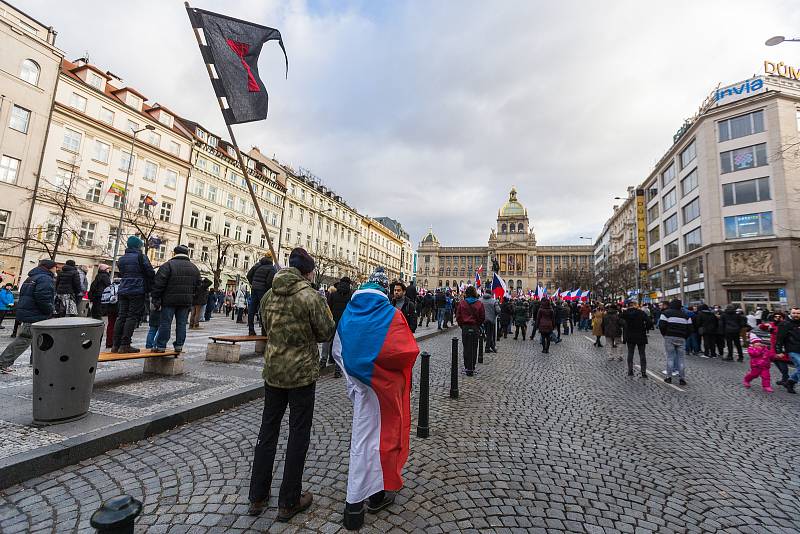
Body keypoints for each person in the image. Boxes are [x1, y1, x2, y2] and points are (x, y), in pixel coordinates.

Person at [247, 248, 335, 521]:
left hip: (273, 371)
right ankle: (289, 500)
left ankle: (257, 497)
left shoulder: (269, 296)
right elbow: (326, 332)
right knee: (298, 434)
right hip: (300, 375)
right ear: (307, 272)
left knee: (267, 431)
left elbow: (265, 325)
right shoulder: (310, 297)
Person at [332, 267, 419, 530]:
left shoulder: (349, 313)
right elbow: (406, 351)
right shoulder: (392, 315)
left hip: (362, 390)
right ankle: (366, 498)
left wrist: (355, 383)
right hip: (382, 393)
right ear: (383, 291)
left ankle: (361, 499)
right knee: (380, 441)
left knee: (362, 440)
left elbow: (338, 350)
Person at [0, 259, 56, 373]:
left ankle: (37, 363)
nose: (56, 270)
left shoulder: (31, 277)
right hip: (35, 314)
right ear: (49, 267)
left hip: (29, 312)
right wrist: (50, 310)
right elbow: (43, 297)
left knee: (39, 340)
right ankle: (3, 362)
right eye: (55, 267)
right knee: (25, 339)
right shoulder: (45, 278)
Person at [150, 245, 200, 354]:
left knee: (165, 323)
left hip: (168, 301)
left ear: (174, 253)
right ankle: (179, 346)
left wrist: (156, 299)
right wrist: (191, 297)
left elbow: (158, 284)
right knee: (181, 324)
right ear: (187, 254)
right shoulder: (194, 268)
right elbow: (198, 286)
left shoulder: (167, 265)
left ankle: (161, 346)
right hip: (185, 302)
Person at [112, 237, 155, 353]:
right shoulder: (141, 257)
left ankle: (115, 345)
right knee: (132, 316)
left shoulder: (121, 259)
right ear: (137, 246)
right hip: (137, 289)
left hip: (123, 289)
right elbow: (150, 272)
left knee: (121, 316)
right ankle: (125, 344)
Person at [658, 298, 691, 385]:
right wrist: (685, 336)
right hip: (681, 338)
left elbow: (661, 325)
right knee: (681, 359)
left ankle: (669, 377)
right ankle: (682, 379)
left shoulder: (665, 314)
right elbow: (690, 328)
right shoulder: (686, 316)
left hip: (669, 337)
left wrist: (664, 334)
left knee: (670, 357)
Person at [324, 277, 353, 378]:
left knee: (328, 341)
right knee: (341, 345)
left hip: (333, 321)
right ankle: (337, 370)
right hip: (345, 323)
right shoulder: (351, 295)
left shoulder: (333, 294)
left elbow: (328, 307)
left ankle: (323, 362)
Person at [455, 286, 484, 376]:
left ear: (466, 293)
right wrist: (477, 325)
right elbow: (482, 317)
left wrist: (462, 325)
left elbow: (458, 316)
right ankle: (472, 367)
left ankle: (467, 366)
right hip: (475, 327)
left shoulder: (462, 303)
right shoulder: (479, 303)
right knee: (474, 347)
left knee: (466, 347)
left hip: (466, 327)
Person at [247, 254, 277, 336]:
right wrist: (267, 290)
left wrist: (253, 283)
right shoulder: (272, 268)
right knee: (264, 310)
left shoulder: (258, 265)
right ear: (271, 259)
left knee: (252, 309)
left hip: (254, 288)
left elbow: (249, 275)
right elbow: (269, 282)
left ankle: (251, 330)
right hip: (263, 290)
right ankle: (264, 331)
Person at [621, 301, 650, 378]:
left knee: (630, 353)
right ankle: (643, 372)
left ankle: (630, 370)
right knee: (642, 354)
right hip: (641, 335)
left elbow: (621, 320)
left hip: (630, 335)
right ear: (634, 305)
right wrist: (646, 328)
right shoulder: (641, 312)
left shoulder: (625, 313)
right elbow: (649, 321)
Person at [776, 306, 800, 394]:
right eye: (794, 313)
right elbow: (779, 338)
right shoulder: (785, 324)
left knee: (799, 369)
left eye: (798, 313)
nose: (796, 315)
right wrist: (778, 351)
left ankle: (790, 382)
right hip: (792, 349)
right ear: (790, 313)